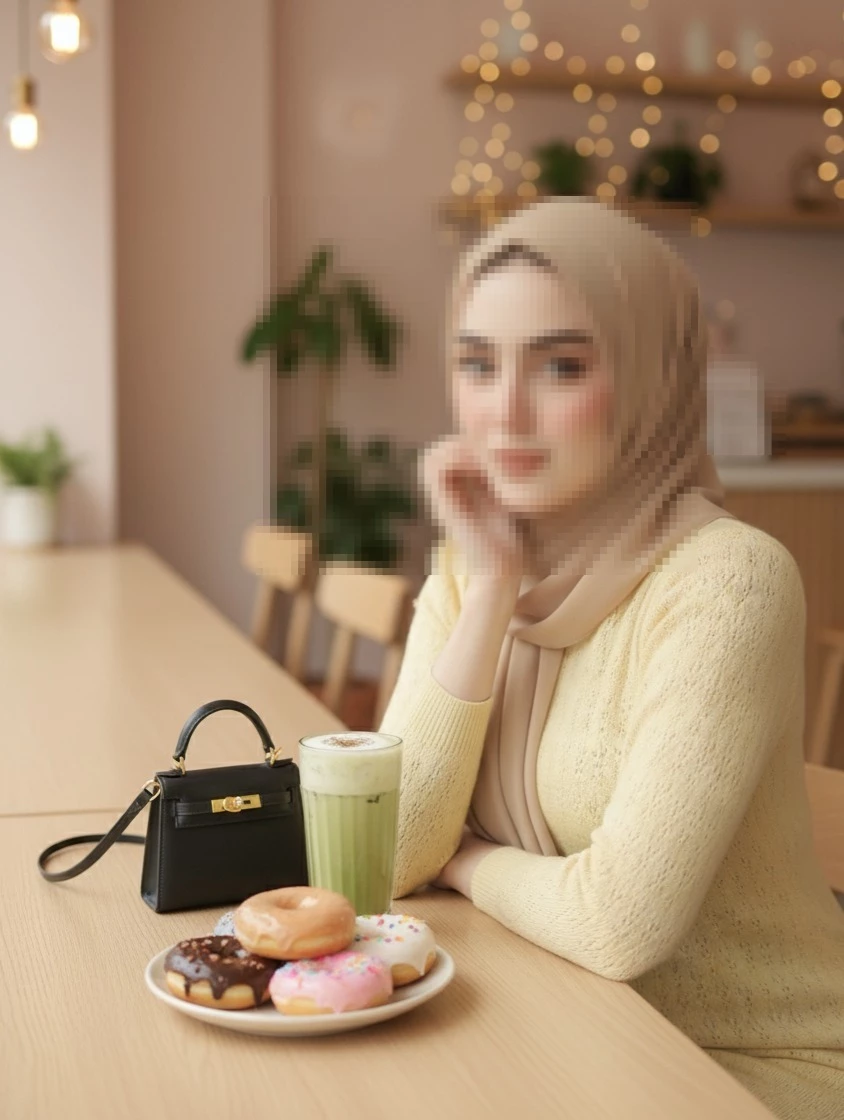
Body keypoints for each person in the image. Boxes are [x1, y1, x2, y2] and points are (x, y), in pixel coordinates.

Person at [379, 199, 844, 1120]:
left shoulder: (728, 582)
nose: (504, 411)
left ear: (650, 377)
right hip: (554, 1022)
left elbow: (617, 922)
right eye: (477, 363)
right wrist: (495, 585)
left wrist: (466, 866)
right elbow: (391, 850)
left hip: (742, 1066)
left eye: (561, 365)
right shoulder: (472, 560)